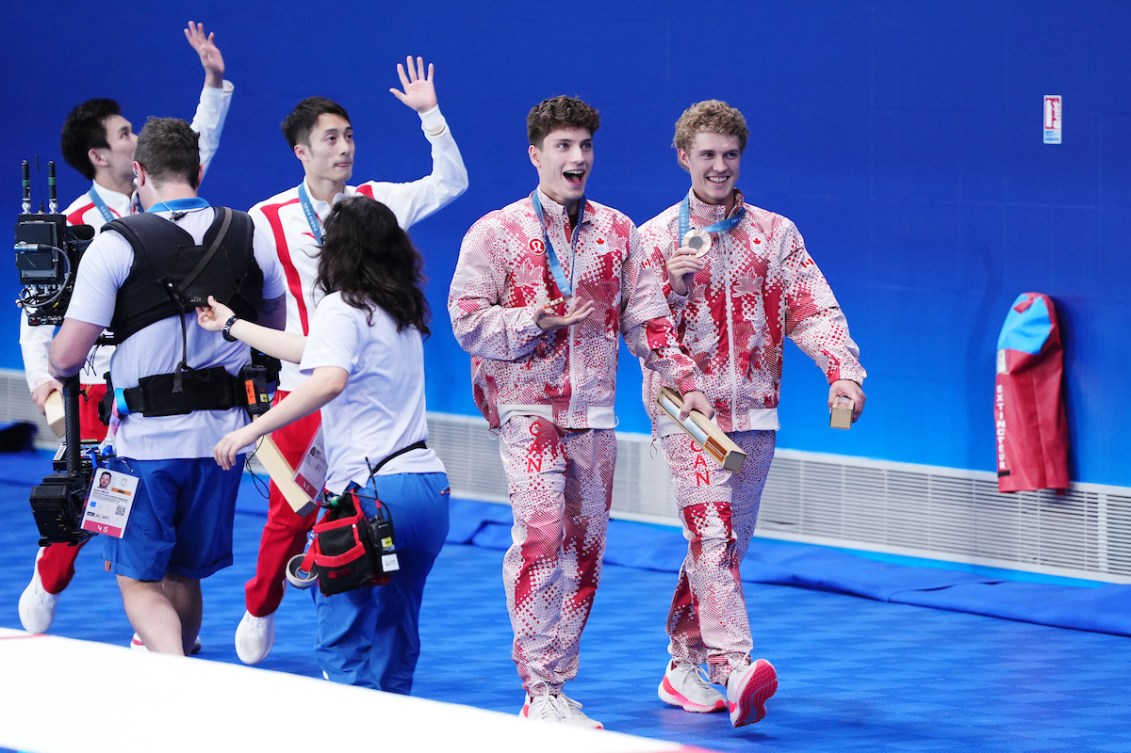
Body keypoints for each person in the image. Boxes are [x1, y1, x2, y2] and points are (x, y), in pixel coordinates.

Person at [447, 95, 712, 729]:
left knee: (585, 552)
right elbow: (465, 320)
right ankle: (538, 688)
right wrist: (528, 319)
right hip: (526, 405)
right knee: (541, 535)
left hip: (593, 413)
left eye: (585, 146)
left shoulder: (620, 233)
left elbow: (648, 320)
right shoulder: (495, 232)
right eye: (563, 147)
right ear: (535, 154)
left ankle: (557, 684)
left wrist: (685, 380)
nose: (577, 158)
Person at [638, 100, 867, 727]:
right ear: (683, 156)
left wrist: (842, 373)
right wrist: (675, 289)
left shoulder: (775, 234)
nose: (718, 166)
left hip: (756, 412)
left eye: (729, 155)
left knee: (723, 546)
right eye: (706, 155)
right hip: (685, 412)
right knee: (710, 531)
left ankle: (681, 665)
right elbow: (643, 330)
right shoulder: (654, 239)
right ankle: (734, 668)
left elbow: (813, 309)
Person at [236, 55, 467, 665]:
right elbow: (260, 294)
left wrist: (431, 117)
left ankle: (353, 636)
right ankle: (261, 606)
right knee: (289, 512)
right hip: (301, 380)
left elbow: (451, 184)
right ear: (301, 152)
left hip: (361, 385)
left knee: (342, 516)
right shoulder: (267, 218)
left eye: (349, 136)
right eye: (330, 140)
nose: (344, 149)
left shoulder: (377, 202)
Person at [17, 20, 234, 641]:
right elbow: (39, 313)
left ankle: (153, 640)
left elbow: (196, 151)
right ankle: (46, 581)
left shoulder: (161, 203)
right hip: (89, 389)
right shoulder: (73, 224)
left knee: (151, 531)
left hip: (165, 388)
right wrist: (45, 386)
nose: (136, 138)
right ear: (99, 156)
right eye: (124, 134)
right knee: (88, 508)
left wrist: (213, 83)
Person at [47, 117, 286, 655]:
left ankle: (175, 675)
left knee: (138, 581)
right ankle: (185, 682)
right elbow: (273, 333)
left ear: (138, 172)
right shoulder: (252, 233)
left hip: (143, 446)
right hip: (222, 445)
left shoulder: (115, 243)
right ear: (198, 170)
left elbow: (67, 356)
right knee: (185, 575)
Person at [202, 196, 449, 693]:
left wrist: (252, 430)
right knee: (394, 636)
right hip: (427, 492)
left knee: (342, 644)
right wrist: (233, 326)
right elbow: (313, 351)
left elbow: (329, 379)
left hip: (368, 497)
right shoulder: (398, 310)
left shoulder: (341, 305)